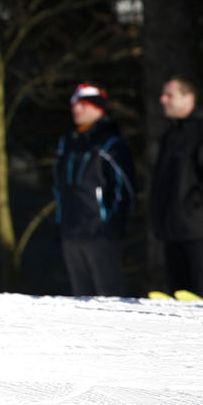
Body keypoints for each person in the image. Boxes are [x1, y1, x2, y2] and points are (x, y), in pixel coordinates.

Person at [149, 76, 203, 300]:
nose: (163, 99)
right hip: (172, 227)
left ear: (188, 98)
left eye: (170, 95)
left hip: (199, 227)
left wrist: (194, 204)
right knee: (179, 293)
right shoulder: (171, 133)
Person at [51, 83, 135, 297]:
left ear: (98, 108)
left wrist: (112, 225)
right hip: (70, 231)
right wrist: (60, 222)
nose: (76, 110)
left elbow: (123, 188)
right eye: (74, 105)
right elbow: (59, 188)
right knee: (80, 296)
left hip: (99, 232)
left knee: (108, 295)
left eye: (83, 105)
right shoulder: (67, 142)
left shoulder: (110, 143)